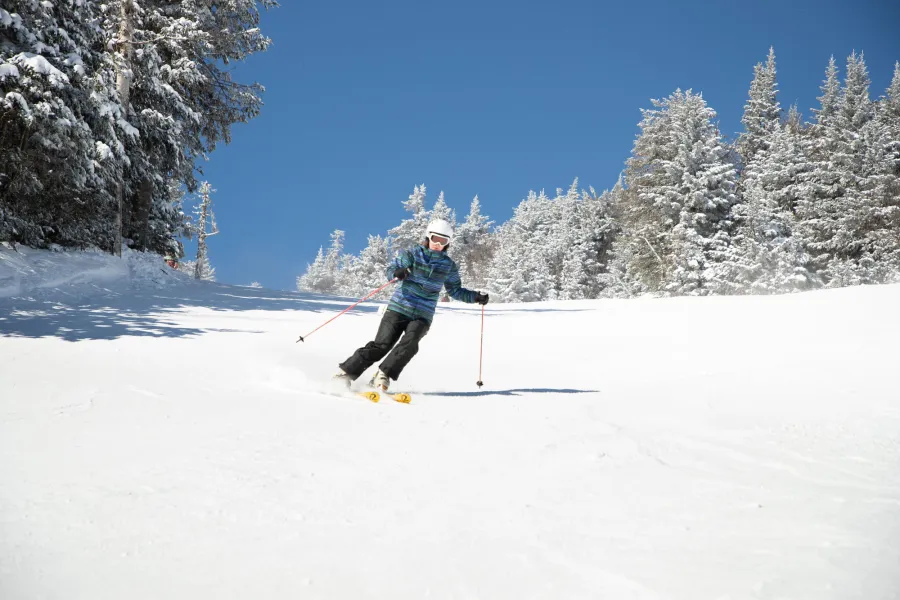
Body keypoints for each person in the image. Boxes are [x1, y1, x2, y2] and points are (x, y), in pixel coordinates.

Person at [334, 219, 489, 391]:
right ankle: (345, 373)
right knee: (382, 345)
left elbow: (455, 290)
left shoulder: (449, 266)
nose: (438, 244)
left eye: (443, 241)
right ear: (428, 237)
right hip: (399, 307)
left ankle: (382, 375)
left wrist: (475, 297)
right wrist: (396, 272)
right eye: (435, 238)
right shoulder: (413, 254)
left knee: (411, 342)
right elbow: (392, 268)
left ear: (448, 243)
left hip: (423, 314)